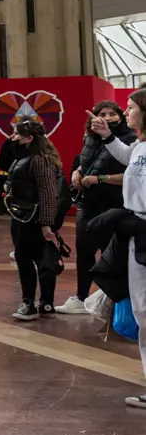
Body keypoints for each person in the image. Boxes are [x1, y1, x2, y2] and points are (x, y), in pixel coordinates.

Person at [87, 88, 146, 408]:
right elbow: (129, 157)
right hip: (134, 231)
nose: (126, 111)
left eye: (130, 107)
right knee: (141, 308)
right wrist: (108, 136)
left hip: (142, 227)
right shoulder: (139, 145)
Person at [60, 101, 132, 315]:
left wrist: (100, 179)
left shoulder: (130, 141)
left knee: (111, 253)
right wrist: (77, 173)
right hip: (88, 202)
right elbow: (84, 162)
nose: (108, 117)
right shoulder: (90, 139)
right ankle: (81, 298)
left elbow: (131, 174)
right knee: (84, 250)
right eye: (102, 113)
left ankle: (113, 301)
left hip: (113, 204)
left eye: (113, 113)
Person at [2, 121, 65, 322]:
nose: (12, 137)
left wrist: (46, 223)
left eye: (16, 134)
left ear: (29, 138)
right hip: (23, 216)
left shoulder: (39, 160)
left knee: (30, 258)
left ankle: (31, 303)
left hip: (34, 219)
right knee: (37, 259)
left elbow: (48, 193)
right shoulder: (24, 157)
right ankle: (44, 303)